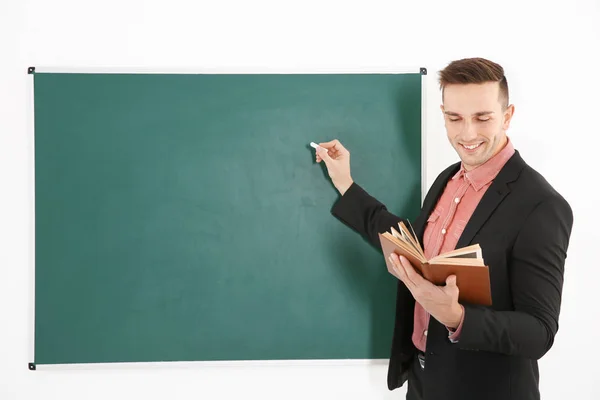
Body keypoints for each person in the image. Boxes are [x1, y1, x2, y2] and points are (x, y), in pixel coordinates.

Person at [314, 57, 573, 400]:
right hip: (425, 383)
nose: (467, 133)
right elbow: (412, 247)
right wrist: (346, 184)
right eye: (455, 118)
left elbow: (539, 332)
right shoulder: (448, 179)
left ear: (507, 116)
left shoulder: (541, 206)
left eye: (482, 118)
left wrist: (457, 317)